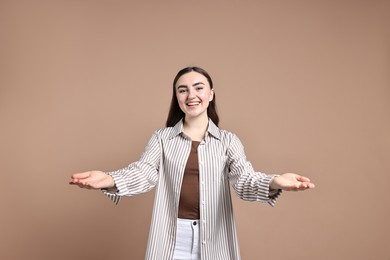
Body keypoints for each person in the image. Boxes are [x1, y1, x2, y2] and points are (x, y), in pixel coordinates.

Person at [70, 66, 315, 260]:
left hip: (215, 238)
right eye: (182, 90)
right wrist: (110, 179)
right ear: (177, 97)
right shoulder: (162, 138)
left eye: (198, 88)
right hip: (170, 237)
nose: (191, 95)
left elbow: (244, 180)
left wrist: (274, 181)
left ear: (211, 93)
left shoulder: (229, 141)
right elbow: (144, 172)